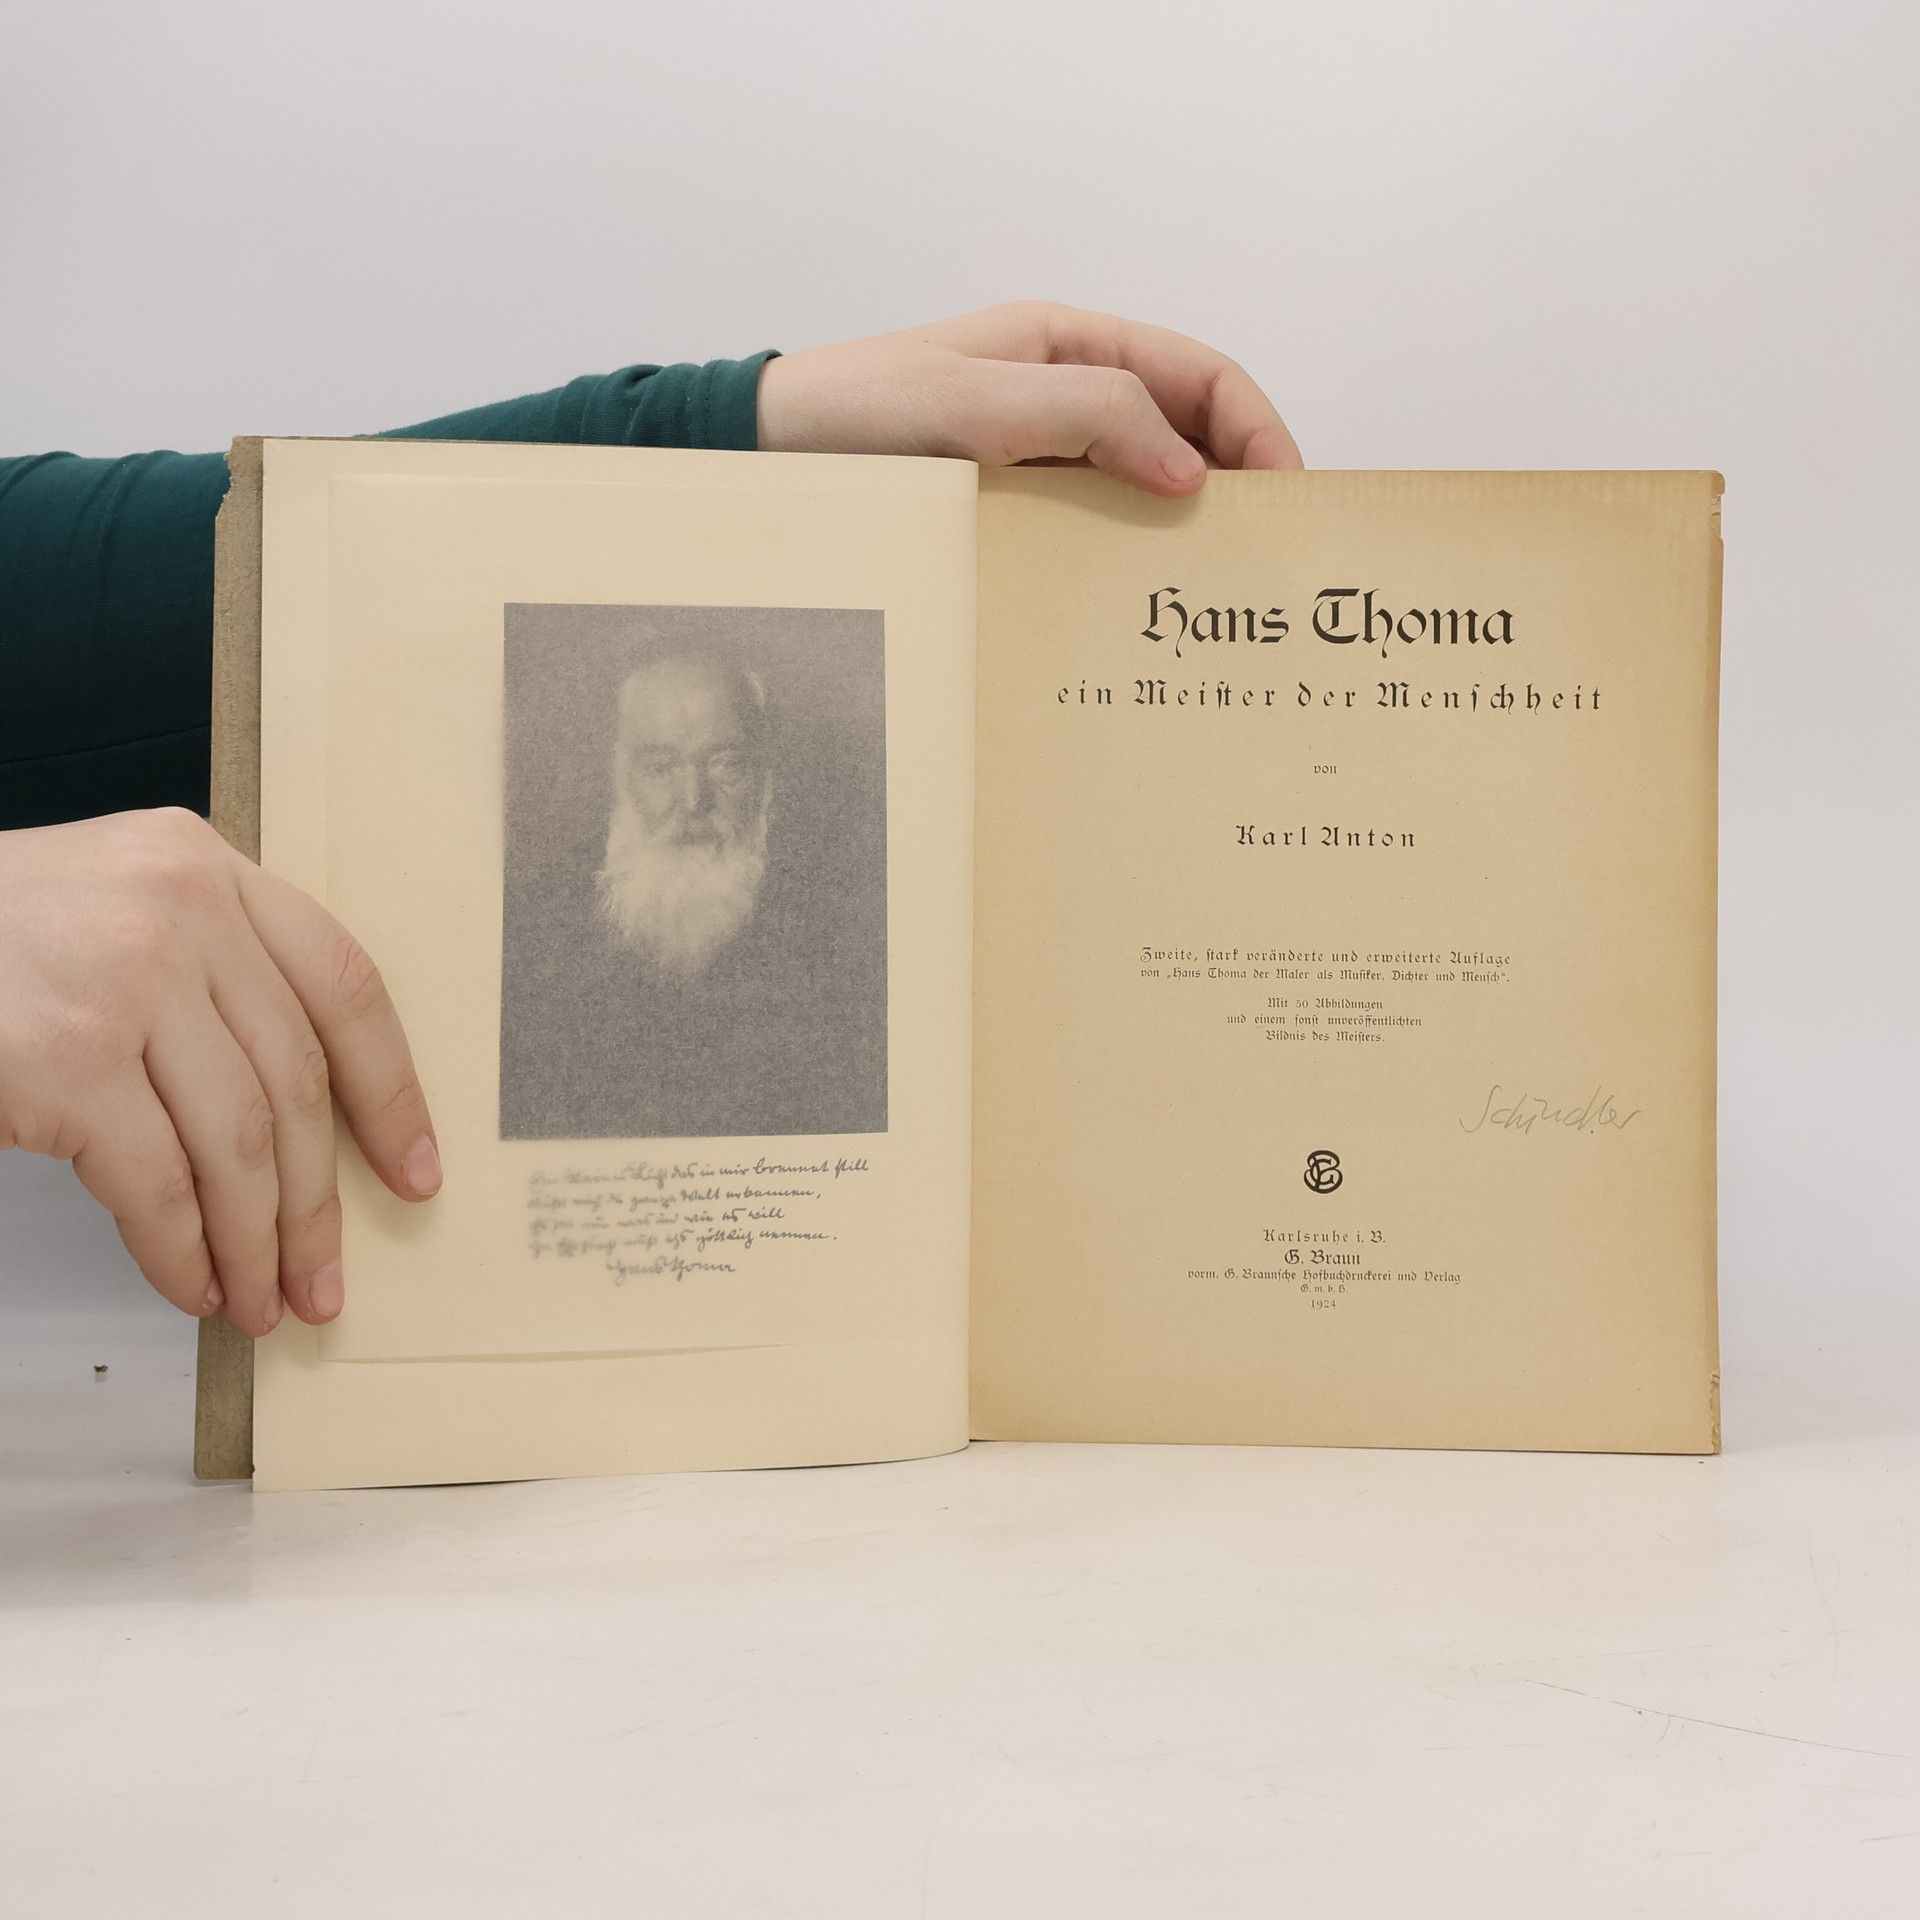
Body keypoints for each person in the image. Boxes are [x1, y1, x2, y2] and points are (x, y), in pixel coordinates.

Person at [0, 300, 1302, 1339]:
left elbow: (117, 599)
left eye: (723, 763)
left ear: (770, 776)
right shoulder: (545, 942)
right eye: (658, 766)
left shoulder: (840, 940)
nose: (692, 799)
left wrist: (734, 432)